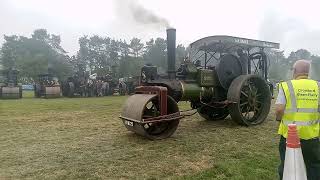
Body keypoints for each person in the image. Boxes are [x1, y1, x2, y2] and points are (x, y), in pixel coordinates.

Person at [275, 59, 320, 180]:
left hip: (289, 136)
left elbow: (279, 110)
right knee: (314, 166)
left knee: (287, 166)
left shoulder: (286, 86)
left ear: (294, 71)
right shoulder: (318, 86)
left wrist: (279, 120)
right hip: (312, 136)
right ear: (308, 72)